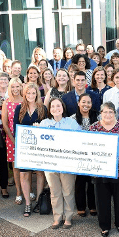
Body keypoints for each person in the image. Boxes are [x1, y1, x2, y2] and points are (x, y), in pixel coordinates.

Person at [90, 102, 119, 237]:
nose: (108, 114)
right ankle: (104, 226)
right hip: (100, 169)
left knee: (118, 198)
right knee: (101, 199)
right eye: (105, 112)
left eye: (111, 112)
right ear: (100, 113)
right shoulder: (94, 127)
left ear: (115, 113)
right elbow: (87, 147)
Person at [40, 98, 81, 229]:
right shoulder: (44, 123)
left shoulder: (71, 123)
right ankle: (57, 218)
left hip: (67, 164)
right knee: (54, 191)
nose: (55, 109)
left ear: (62, 108)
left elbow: (80, 140)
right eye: (52, 106)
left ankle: (68, 218)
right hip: (50, 164)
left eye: (58, 106)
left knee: (68, 191)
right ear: (49, 109)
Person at [13, 83, 48, 216]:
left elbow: (46, 128)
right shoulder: (19, 108)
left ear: (37, 94)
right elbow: (16, 128)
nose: (31, 96)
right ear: (25, 94)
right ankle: (28, 203)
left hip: (38, 148)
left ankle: (39, 201)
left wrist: (40, 128)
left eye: (33, 93)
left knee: (39, 173)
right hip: (24, 148)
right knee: (24, 174)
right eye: (28, 93)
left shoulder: (42, 108)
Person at [71, 93, 98, 217]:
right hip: (78, 156)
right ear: (78, 103)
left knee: (92, 182)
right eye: (83, 102)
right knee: (80, 182)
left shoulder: (98, 118)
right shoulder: (72, 119)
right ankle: (81, 206)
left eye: (88, 102)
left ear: (91, 104)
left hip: (93, 155)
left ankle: (92, 205)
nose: (86, 105)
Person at [2, 78, 24, 205]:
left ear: (21, 87)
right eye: (13, 87)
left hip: (25, 138)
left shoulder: (25, 101)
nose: (15, 89)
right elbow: (5, 123)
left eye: (17, 86)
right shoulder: (7, 102)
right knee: (16, 167)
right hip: (12, 138)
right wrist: (12, 139)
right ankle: (18, 192)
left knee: (25, 167)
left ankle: (29, 190)